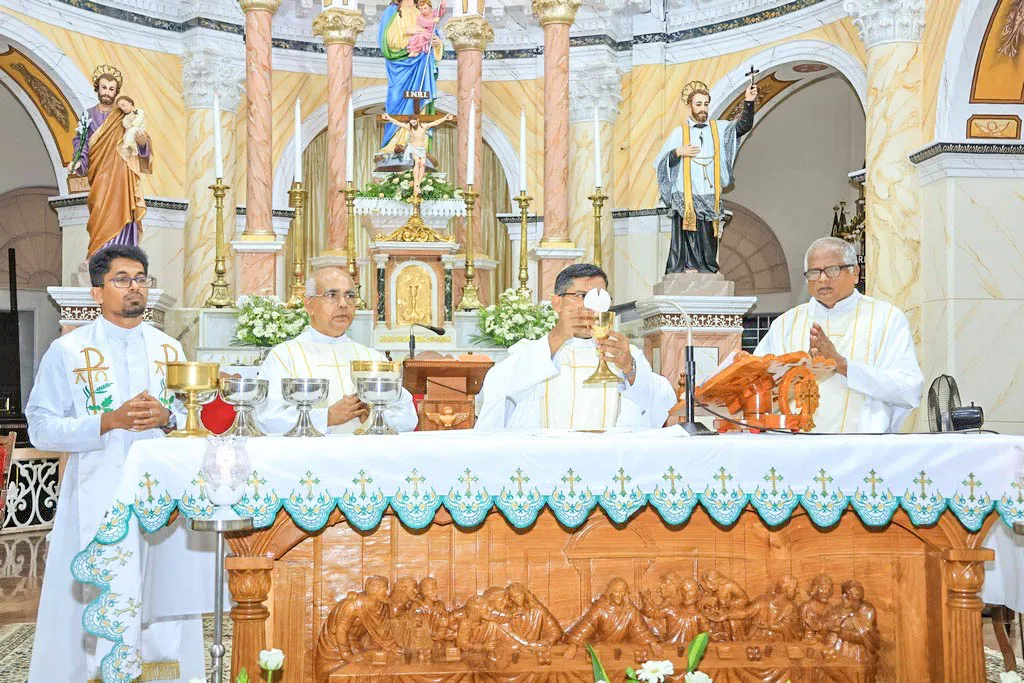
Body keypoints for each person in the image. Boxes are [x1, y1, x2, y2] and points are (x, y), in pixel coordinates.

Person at [25, 245, 209, 682]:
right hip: (97, 494)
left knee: (163, 592)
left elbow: (196, 422)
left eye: (141, 279)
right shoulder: (68, 351)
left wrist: (168, 418)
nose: (134, 288)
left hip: (162, 499)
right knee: (102, 594)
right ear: (97, 291)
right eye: (122, 279)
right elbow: (40, 428)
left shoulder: (170, 350)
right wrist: (107, 421)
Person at [475, 264, 676, 430]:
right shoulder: (532, 353)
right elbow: (500, 389)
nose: (592, 306)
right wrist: (558, 336)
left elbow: (660, 401)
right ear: (557, 303)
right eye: (581, 295)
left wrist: (630, 370)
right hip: (548, 459)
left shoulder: (623, 353)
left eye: (599, 297)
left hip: (606, 460)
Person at [754, 236, 923, 433]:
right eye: (814, 272)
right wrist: (800, 368)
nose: (822, 279)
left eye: (832, 270)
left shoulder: (886, 319)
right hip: (795, 445)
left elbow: (908, 389)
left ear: (855, 273)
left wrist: (843, 366)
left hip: (863, 445)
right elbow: (757, 388)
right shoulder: (785, 324)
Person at [255, 267, 418, 435]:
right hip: (310, 451)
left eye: (350, 296)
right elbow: (267, 418)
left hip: (366, 451)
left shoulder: (372, 358)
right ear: (309, 305)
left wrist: (374, 416)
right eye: (332, 295)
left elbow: (407, 417)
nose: (343, 304)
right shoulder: (284, 356)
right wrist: (327, 417)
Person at [654, 80, 757, 274]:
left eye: (706, 104)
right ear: (690, 106)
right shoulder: (679, 133)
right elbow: (660, 162)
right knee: (688, 234)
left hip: (709, 192)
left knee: (708, 236)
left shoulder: (719, 129)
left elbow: (743, 126)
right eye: (698, 104)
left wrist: (749, 102)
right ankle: (687, 266)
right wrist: (678, 152)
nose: (703, 108)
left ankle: (707, 266)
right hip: (686, 193)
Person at [69, 65, 153, 257]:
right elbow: (81, 141)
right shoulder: (88, 115)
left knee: (125, 207)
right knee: (100, 209)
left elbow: (139, 139)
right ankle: (99, 254)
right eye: (104, 87)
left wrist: (142, 144)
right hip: (100, 174)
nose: (107, 92)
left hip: (122, 173)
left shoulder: (125, 115)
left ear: (117, 92)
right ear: (97, 88)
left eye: (111, 89)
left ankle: (123, 253)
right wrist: (78, 160)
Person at [382, 112, 454, 197]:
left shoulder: (424, 126)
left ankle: (417, 185)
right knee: (418, 163)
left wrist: (445, 118)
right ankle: (416, 184)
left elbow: (435, 122)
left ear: (417, 120)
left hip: (421, 149)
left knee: (423, 164)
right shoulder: (409, 127)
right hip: (413, 147)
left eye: (414, 122)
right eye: (411, 123)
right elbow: (397, 123)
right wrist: (388, 117)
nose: (413, 124)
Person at [116, 94, 147, 162]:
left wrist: (132, 124)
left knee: (132, 131)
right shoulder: (126, 117)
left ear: (130, 102)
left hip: (139, 130)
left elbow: (139, 120)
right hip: (131, 132)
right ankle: (133, 148)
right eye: (121, 108)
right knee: (126, 136)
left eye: (123, 105)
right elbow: (125, 125)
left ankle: (126, 146)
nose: (123, 109)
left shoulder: (139, 111)